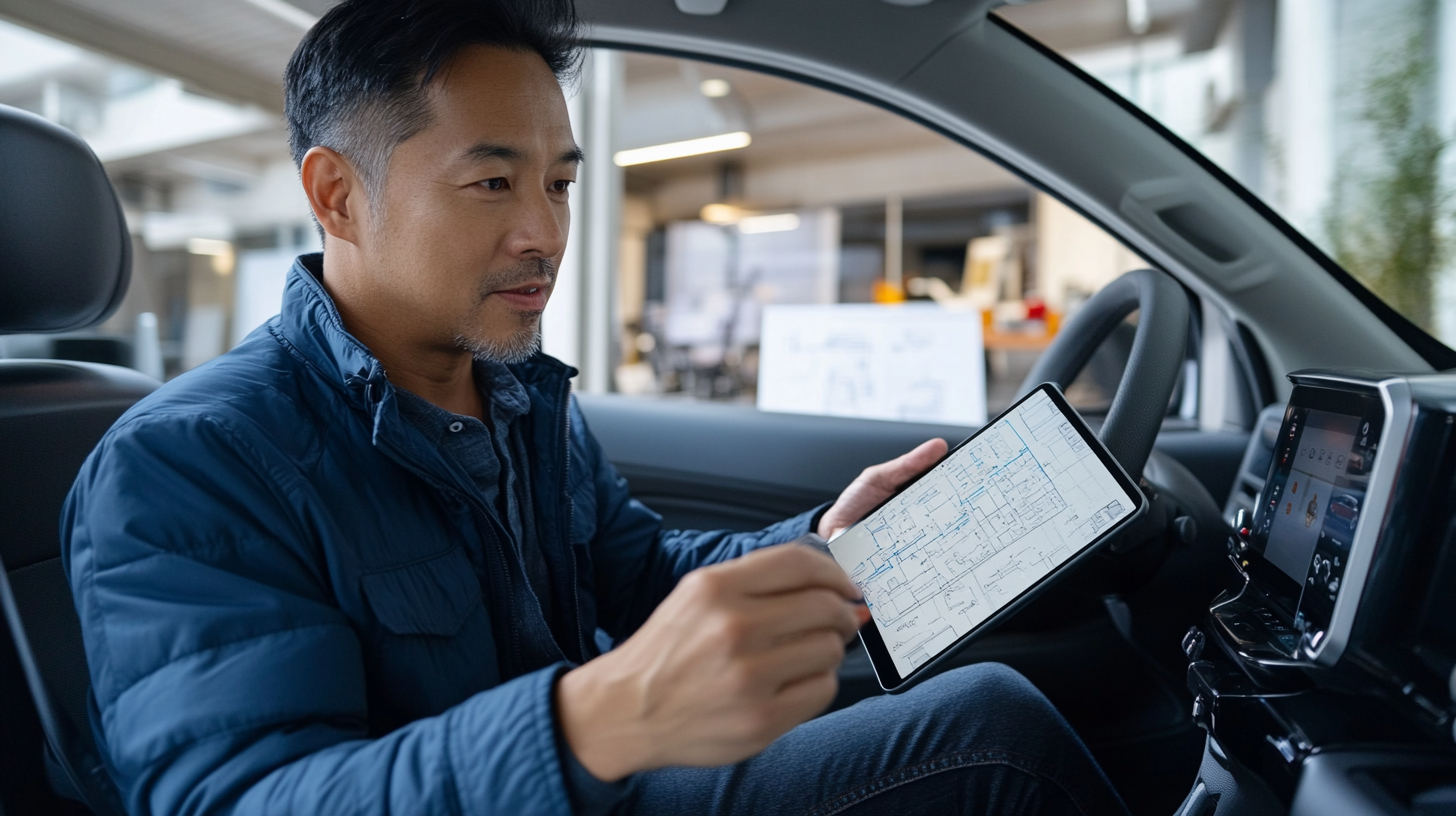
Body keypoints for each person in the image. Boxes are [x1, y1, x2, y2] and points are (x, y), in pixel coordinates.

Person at [62, 1, 1128, 814]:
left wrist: (824, 545)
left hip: (592, 783)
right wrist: (587, 722)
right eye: (492, 185)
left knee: (991, 701)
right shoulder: (190, 462)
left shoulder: (514, 391)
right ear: (337, 193)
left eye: (560, 185)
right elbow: (245, 798)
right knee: (991, 731)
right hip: (572, 779)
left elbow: (639, 573)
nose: (543, 232)